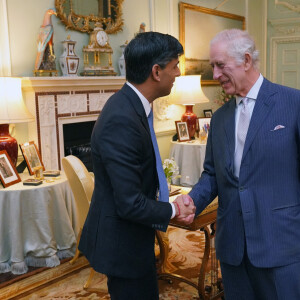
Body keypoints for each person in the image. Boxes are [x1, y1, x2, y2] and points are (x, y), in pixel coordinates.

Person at [179, 28, 300, 299]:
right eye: (212, 66)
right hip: (233, 247)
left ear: (246, 61)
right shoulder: (220, 118)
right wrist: (192, 201)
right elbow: (212, 174)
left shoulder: (294, 103)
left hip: (281, 245)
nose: (216, 74)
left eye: (220, 65)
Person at [78, 32, 196, 300]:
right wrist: (172, 209)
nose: (177, 73)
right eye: (174, 65)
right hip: (122, 244)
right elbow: (129, 203)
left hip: (132, 238)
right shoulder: (122, 118)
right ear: (156, 71)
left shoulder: (133, 105)